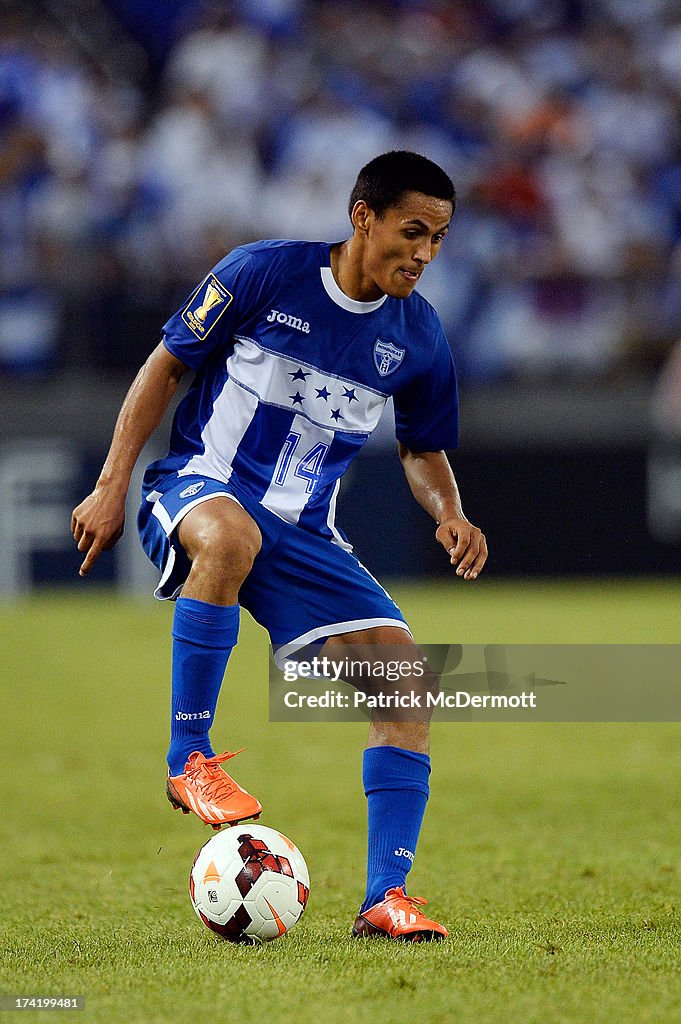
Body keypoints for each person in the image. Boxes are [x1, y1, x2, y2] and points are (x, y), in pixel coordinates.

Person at [71, 150, 487, 942]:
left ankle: (384, 898)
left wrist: (449, 511)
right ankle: (188, 760)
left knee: (405, 689)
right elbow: (165, 367)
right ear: (362, 216)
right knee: (228, 535)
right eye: (412, 231)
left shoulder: (420, 335)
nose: (426, 254)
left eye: (438, 237)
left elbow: (421, 448)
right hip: (201, 484)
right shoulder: (263, 273)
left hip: (303, 532)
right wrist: (110, 483)